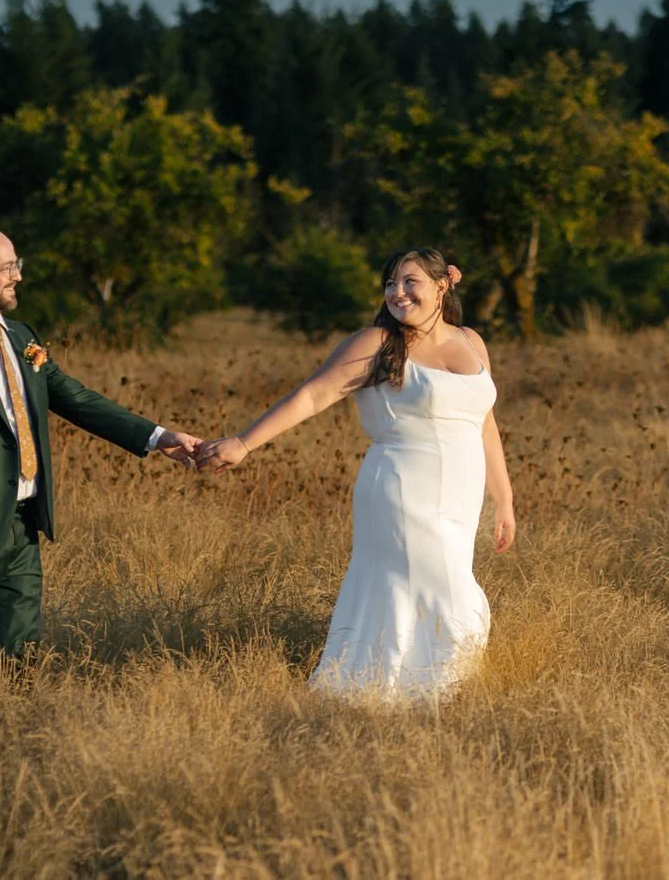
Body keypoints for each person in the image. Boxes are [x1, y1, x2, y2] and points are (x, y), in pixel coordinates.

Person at [197, 246, 517, 698]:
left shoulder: (470, 341)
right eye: (390, 284)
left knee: (414, 597)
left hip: (460, 501)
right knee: (458, 599)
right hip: (402, 491)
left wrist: (503, 498)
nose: (398, 293)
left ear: (444, 284)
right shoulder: (378, 344)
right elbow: (311, 396)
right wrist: (244, 443)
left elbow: (484, 420)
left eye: (411, 282)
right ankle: (437, 695)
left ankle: (381, 694)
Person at [0, 226, 204, 670]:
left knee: (18, 657)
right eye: (6, 267)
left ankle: (1, 733)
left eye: (17, 264)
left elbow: (74, 398)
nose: (17, 276)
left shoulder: (22, 337)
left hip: (23, 526)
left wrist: (157, 436)